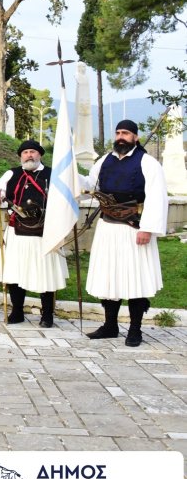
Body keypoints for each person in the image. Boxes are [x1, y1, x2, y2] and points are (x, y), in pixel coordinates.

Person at [82, 119, 168, 346]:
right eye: (118, 132)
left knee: (135, 279)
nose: (121, 137)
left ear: (135, 137)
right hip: (107, 227)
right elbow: (90, 185)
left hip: (134, 229)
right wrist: (69, 173)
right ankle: (110, 326)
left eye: (126, 133)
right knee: (109, 277)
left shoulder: (147, 163)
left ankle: (135, 330)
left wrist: (147, 229)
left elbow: (157, 197)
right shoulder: (104, 161)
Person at [0, 140, 68, 327]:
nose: (29, 155)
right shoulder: (11, 174)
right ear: (21, 156)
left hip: (45, 232)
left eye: (33, 152)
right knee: (15, 272)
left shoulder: (53, 174)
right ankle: (17, 311)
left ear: (40, 155)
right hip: (17, 231)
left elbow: (65, 200)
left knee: (45, 274)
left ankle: (47, 315)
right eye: (25, 152)